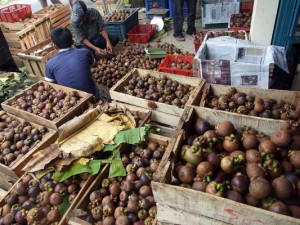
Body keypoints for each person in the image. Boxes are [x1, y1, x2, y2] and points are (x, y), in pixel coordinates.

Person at [45, 27, 100, 101]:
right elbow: (95, 65)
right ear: (73, 41)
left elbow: (52, 86)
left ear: (55, 46)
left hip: (71, 102)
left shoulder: (49, 64)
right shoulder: (84, 52)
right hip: (92, 96)